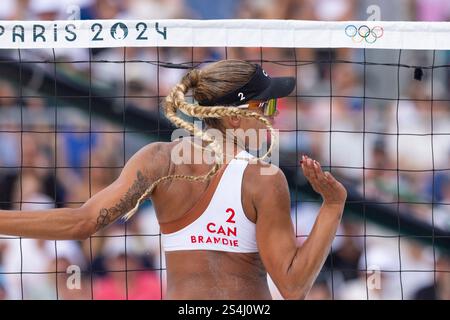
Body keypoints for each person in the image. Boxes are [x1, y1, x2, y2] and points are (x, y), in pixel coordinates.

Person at [0, 59, 347, 300]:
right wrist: (332, 206)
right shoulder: (263, 180)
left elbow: (81, 221)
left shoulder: (159, 159)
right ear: (236, 118)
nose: (274, 115)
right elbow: (293, 286)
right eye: (267, 106)